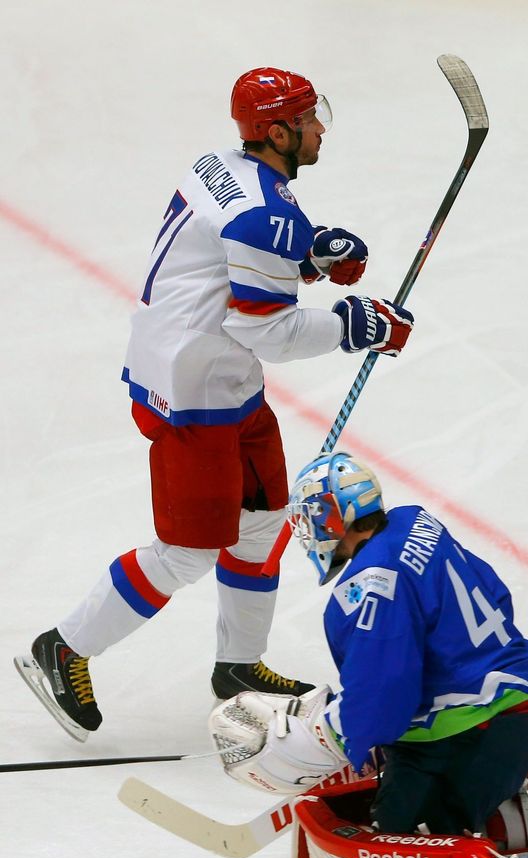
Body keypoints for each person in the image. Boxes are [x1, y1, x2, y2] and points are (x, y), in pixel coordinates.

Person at [16, 69, 413, 741]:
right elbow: (269, 330)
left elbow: (232, 256)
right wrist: (356, 323)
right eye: (309, 120)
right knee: (188, 551)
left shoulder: (224, 167)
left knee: (261, 522)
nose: (321, 129)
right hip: (190, 391)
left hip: (222, 376)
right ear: (278, 132)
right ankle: (63, 647)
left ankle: (238, 668)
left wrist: (310, 256)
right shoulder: (262, 215)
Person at [212, 450, 528, 835]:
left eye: (314, 517)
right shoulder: (415, 522)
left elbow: (385, 687)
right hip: (520, 705)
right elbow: (496, 594)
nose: (309, 531)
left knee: (401, 840)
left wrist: (339, 735)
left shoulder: (372, 581)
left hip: (472, 729)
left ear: (333, 516)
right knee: (412, 812)